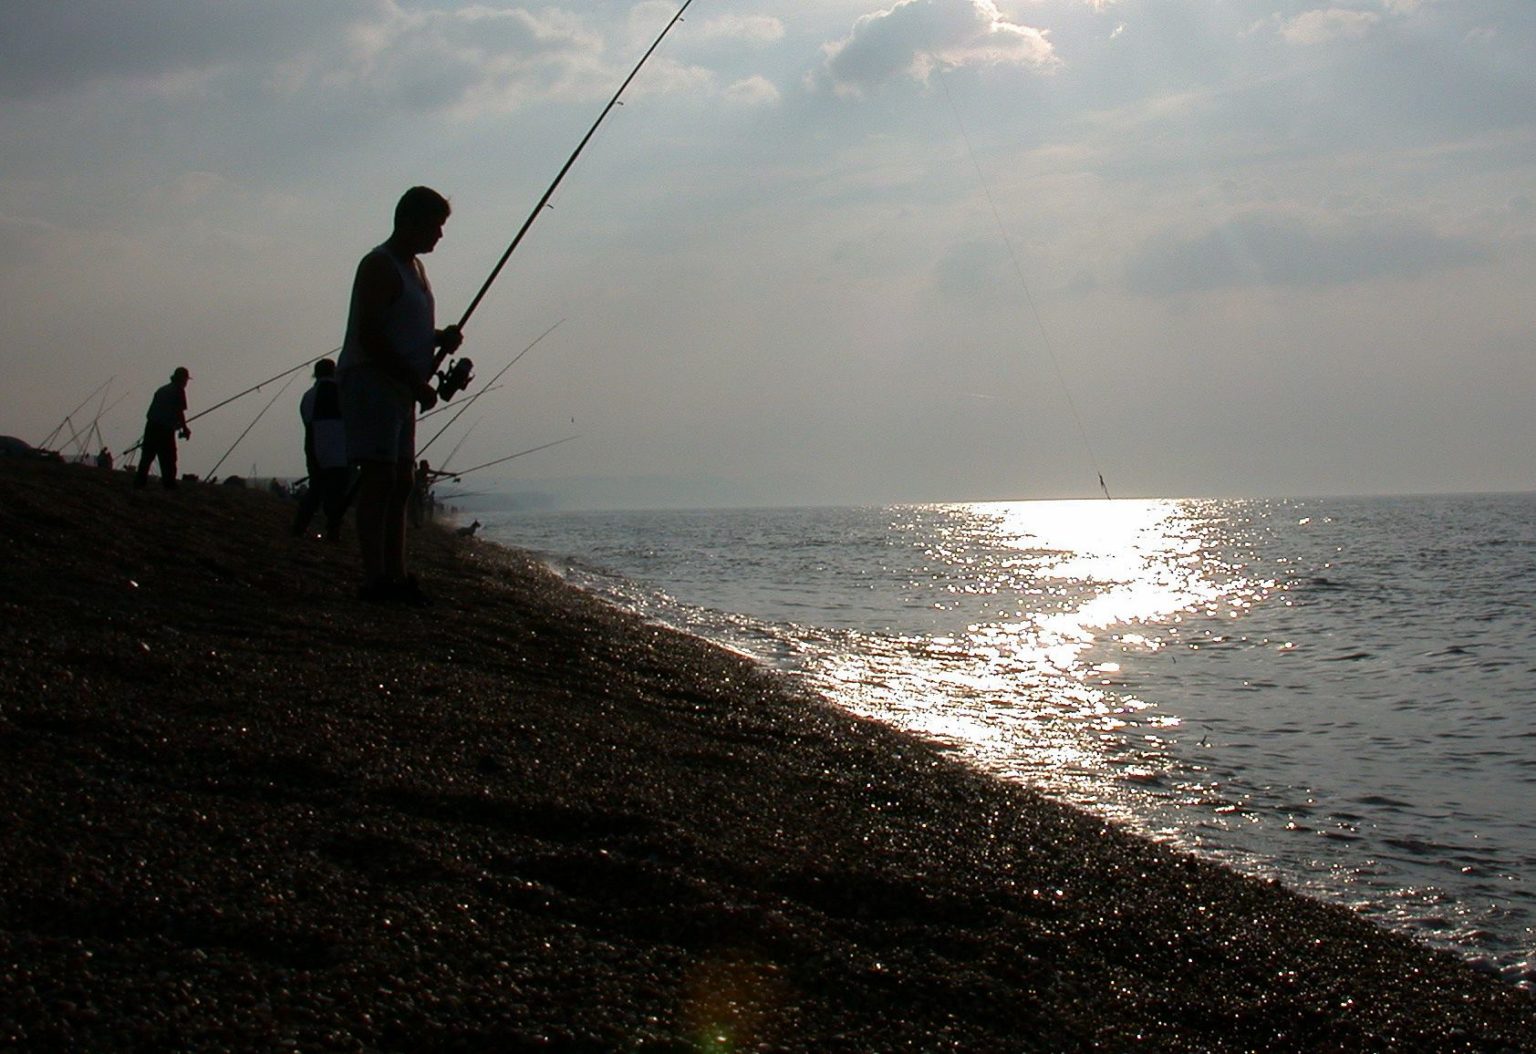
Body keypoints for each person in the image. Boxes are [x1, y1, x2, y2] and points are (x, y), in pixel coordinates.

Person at [337, 186, 462, 604]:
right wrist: (414, 384)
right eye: (436, 226)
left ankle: (397, 574)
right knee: (379, 480)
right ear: (410, 221)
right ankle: (376, 580)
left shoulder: (416, 271)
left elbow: (406, 330)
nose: (440, 236)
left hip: (401, 390)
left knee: (402, 483)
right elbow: (371, 336)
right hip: (372, 384)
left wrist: (439, 336)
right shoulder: (379, 265)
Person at [291, 358, 352, 541]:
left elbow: (307, 421)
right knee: (338, 493)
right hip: (340, 450)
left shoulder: (309, 395)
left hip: (314, 447)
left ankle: (299, 527)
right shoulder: (343, 393)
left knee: (316, 490)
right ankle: (333, 531)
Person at [134, 367, 191, 489]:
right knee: (169, 458)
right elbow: (179, 412)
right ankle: (169, 484)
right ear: (182, 379)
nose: (186, 383)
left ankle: (139, 482)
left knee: (147, 456)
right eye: (186, 380)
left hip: (151, 426)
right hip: (165, 430)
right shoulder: (178, 391)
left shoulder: (162, 390)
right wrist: (185, 429)